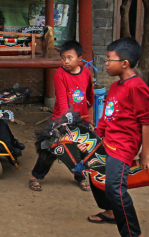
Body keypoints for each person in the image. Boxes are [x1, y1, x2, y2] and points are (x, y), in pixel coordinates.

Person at [80, 37, 149, 237]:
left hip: (123, 148)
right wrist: (93, 140)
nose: (105, 64)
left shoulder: (136, 87)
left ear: (124, 63)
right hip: (108, 143)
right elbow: (106, 118)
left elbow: (148, 122)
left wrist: (145, 154)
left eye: (109, 59)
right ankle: (112, 211)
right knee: (93, 171)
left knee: (115, 190)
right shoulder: (115, 87)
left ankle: (132, 233)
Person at [29, 40, 94, 191]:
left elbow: (90, 96)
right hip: (61, 119)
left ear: (79, 58)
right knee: (51, 147)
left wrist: (89, 118)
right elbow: (63, 102)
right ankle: (36, 176)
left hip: (82, 118)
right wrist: (66, 123)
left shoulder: (86, 72)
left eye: (70, 57)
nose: (66, 61)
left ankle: (81, 176)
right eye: (63, 57)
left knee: (82, 148)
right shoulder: (59, 73)